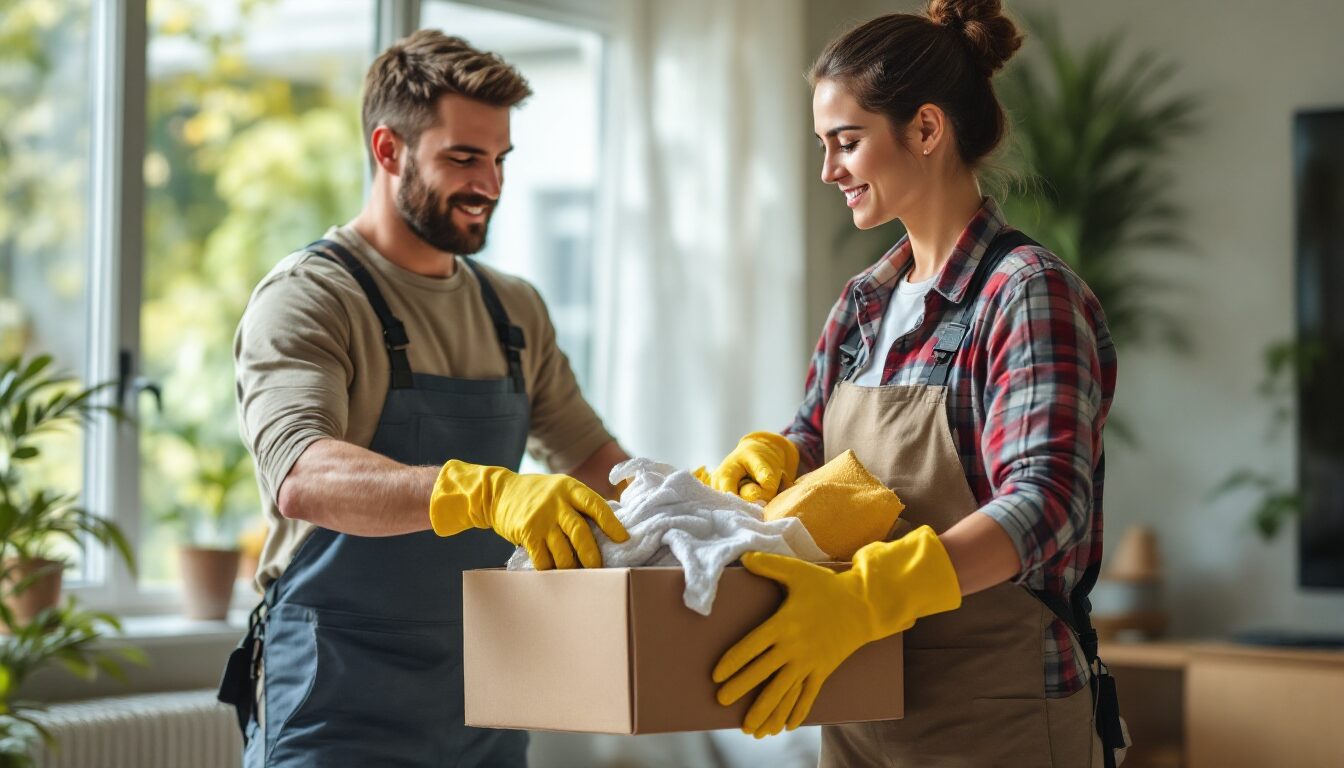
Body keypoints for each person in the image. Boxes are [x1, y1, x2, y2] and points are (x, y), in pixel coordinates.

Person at [704, 2, 1124, 766]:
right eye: (824, 146)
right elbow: (813, 439)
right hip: (857, 704)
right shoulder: (863, 303)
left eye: (847, 141)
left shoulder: (1025, 293)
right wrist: (778, 458)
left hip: (997, 716)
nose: (829, 170)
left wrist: (872, 596)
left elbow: (1046, 504)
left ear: (926, 130)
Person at [218, 30, 631, 768]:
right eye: (463, 158)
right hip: (335, 703)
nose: (490, 185)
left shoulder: (514, 311)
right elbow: (303, 477)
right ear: (389, 150)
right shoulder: (311, 297)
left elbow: (594, 460)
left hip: (489, 697)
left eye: (500, 159)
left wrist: (709, 516)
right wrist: (481, 494)